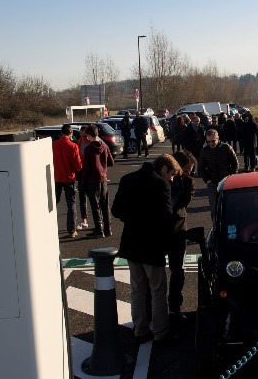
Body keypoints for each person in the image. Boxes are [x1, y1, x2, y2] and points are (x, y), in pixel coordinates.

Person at [111, 154, 182, 345]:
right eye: (172, 174)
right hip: (152, 245)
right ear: (164, 169)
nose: (172, 179)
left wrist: (131, 219)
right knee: (158, 290)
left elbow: (115, 210)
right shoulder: (161, 184)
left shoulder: (128, 179)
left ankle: (140, 329)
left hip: (131, 242)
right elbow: (166, 217)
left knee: (137, 289)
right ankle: (160, 331)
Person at [166, 151, 195, 327]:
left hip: (178, 229)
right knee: (156, 272)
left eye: (190, 171)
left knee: (178, 270)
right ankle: (159, 307)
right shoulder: (164, 180)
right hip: (167, 228)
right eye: (186, 170)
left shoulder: (188, 182)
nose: (188, 173)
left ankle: (174, 307)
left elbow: (183, 202)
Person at [198, 128, 238, 223]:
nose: (211, 143)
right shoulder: (205, 151)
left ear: (218, 138)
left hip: (226, 182)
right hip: (212, 182)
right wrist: (207, 180)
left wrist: (231, 177)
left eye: (213, 141)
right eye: (208, 141)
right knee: (214, 207)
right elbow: (201, 167)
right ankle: (216, 229)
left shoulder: (226, 147)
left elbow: (235, 163)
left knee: (228, 206)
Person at [81, 125, 114, 237]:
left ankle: (99, 230)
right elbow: (111, 162)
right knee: (105, 205)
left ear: (89, 135)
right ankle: (108, 228)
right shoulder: (104, 146)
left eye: (87, 135)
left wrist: (84, 180)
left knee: (95, 206)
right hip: (103, 179)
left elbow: (86, 168)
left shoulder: (89, 149)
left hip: (92, 180)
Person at [52, 123, 83, 238]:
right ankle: (72, 230)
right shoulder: (73, 146)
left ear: (61, 132)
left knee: (54, 203)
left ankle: (50, 226)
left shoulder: (53, 145)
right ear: (71, 133)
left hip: (56, 177)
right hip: (69, 178)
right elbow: (78, 165)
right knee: (71, 205)